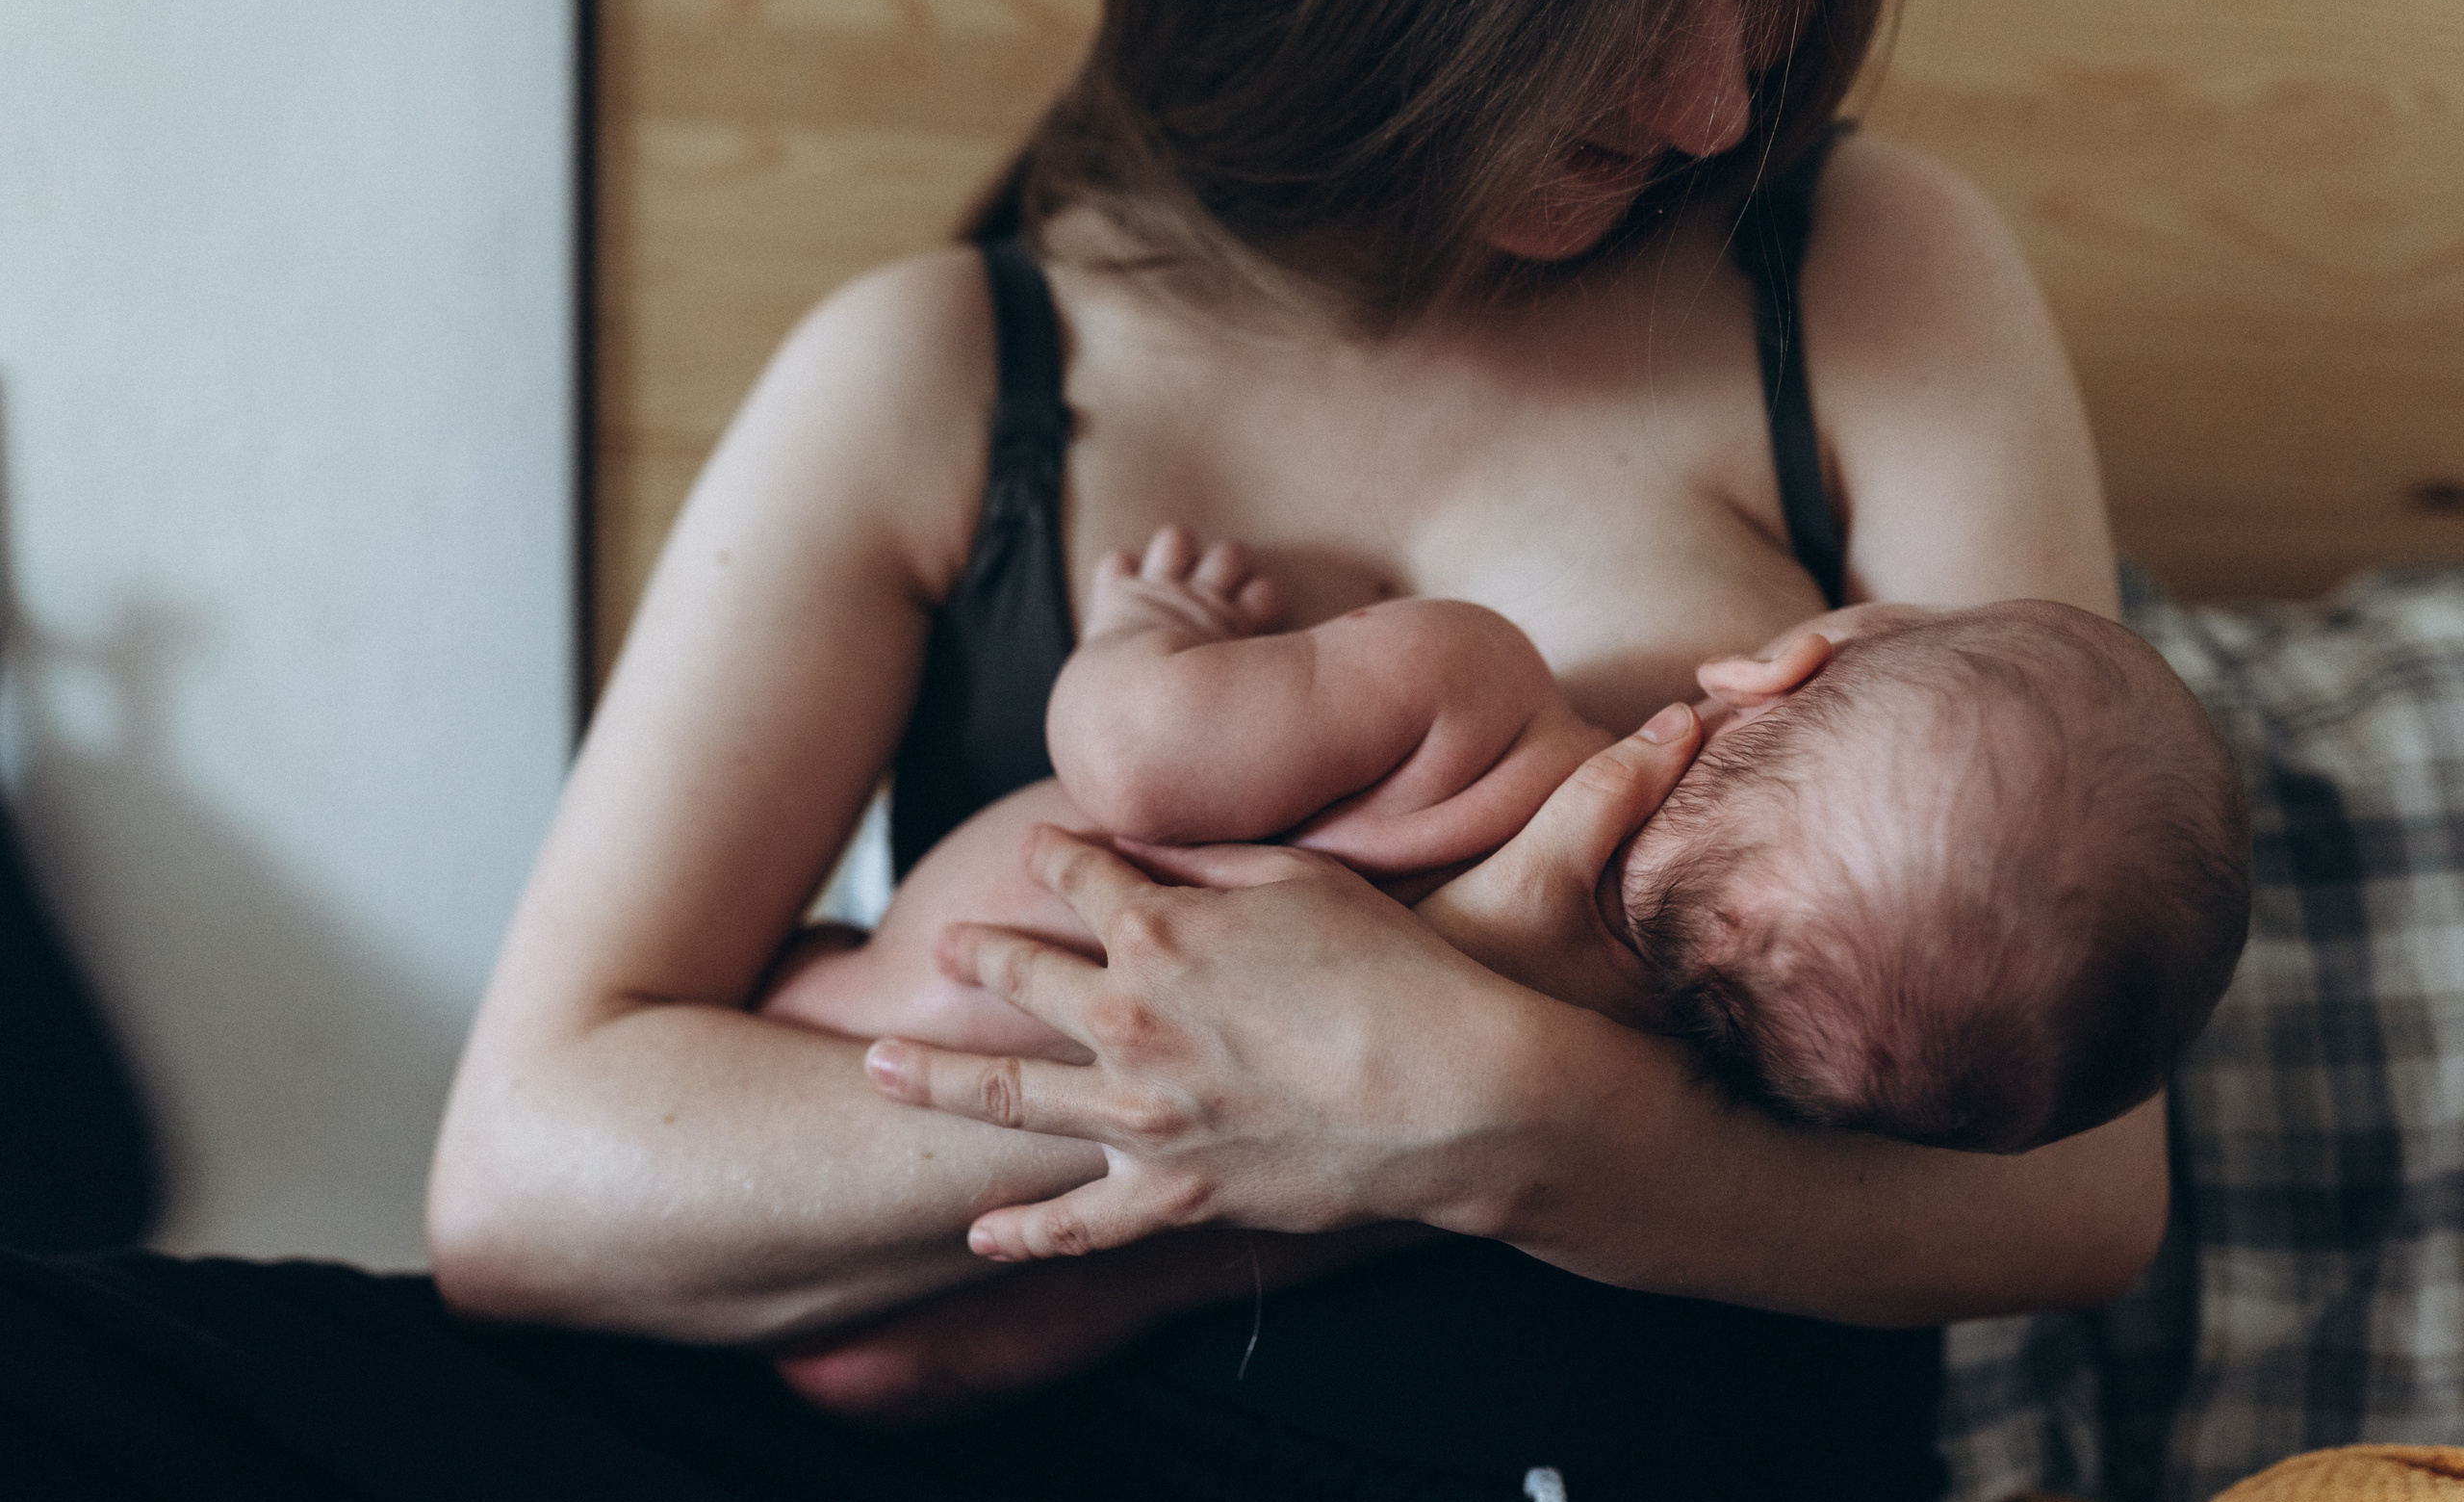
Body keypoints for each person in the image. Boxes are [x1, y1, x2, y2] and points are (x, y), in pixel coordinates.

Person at [0, 0, 2211, 1502]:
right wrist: (1264, 1112)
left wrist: (1483, 1109)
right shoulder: (944, 372)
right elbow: (531, 1182)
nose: (1717, 86)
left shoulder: (1857, 269)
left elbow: (2072, 1187)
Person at [765, 525, 2246, 1156]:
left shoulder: (1472, 713)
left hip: (910, 1004)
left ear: (1775, 669)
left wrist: (1150, 631)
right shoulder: (1607, 1094)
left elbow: (1138, 760)